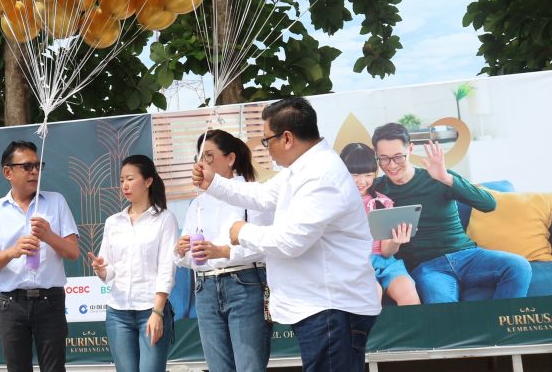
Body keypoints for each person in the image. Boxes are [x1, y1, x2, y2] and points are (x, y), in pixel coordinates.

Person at [192, 97, 380, 372]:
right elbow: (263, 194)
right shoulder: (303, 170)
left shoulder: (321, 175)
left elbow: (290, 241)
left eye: (268, 141)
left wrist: (242, 232)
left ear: (288, 138)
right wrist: (214, 183)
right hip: (322, 307)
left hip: (331, 308)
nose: (268, 150)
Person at [370, 123, 532, 304]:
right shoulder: (376, 189)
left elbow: (489, 204)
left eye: (398, 157)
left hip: (467, 256)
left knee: (519, 266)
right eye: (383, 159)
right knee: (442, 310)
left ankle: (502, 328)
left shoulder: (438, 176)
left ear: (411, 149)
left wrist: (446, 178)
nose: (391, 165)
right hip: (428, 268)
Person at [0, 141, 79, 372]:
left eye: (38, 165)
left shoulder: (56, 201)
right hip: (12, 304)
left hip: (50, 301)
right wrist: (13, 251)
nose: (34, 171)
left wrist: (49, 235)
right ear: (7, 172)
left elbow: (73, 252)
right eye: (27, 166)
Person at [174, 130, 272, 372]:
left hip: (244, 283)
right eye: (199, 157)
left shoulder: (251, 193)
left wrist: (222, 251)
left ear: (230, 159)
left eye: (209, 156)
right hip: (205, 288)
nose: (202, 164)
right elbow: (189, 259)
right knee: (218, 367)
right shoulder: (197, 203)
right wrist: (180, 251)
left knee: (249, 366)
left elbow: (264, 244)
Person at [88, 155, 178, 372]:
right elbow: (109, 271)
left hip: (151, 309)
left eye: (130, 179)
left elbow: (167, 268)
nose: (125, 185)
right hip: (118, 312)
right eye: (121, 180)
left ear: (148, 181)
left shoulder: (165, 219)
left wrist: (157, 312)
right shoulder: (113, 222)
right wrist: (101, 270)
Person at [340, 143, 420, 306]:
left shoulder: (383, 203)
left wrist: (396, 240)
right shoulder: (334, 203)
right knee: (373, 291)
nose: (362, 181)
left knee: (408, 291)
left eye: (369, 175)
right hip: (353, 264)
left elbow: (385, 251)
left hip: (385, 263)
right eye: (355, 175)